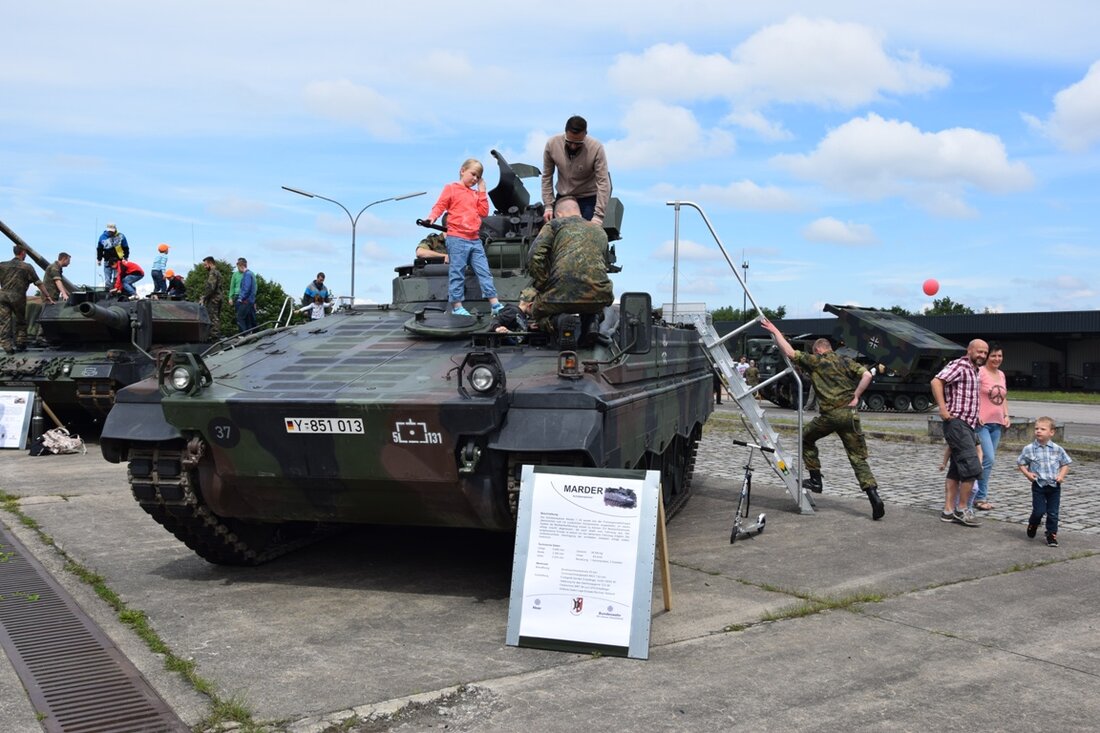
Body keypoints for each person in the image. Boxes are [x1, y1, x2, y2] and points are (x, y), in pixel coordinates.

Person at [761, 318, 884, 520]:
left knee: (806, 438)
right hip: (850, 415)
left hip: (830, 415)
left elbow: (791, 353)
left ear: (818, 350)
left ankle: (816, 479)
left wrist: (774, 330)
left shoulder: (817, 361)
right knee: (857, 458)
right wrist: (856, 396)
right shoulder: (846, 361)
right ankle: (874, 497)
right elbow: (867, 376)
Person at [526, 197, 614, 339]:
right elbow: (602, 265)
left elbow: (535, 257)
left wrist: (543, 283)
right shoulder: (600, 231)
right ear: (579, 212)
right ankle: (592, 323)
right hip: (599, 296)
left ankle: (558, 322)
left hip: (559, 296)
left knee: (536, 311)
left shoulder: (554, 225)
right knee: (596, 306)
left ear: (558, 214)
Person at [425, 158, 502, 317]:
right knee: (457, 272)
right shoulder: (451, 188)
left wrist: (482, 192)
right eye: (473, 174)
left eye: (478, 177)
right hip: (457, 238)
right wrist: (431, 218)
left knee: (484, 272)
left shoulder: (475, 194)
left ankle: (494, 303)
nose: (475, 179)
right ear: (462, 170)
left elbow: (483, 212)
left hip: (474, 239)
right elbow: (440, 205)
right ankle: (457, 305)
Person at [931, 339, 989, 527]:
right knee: (973, 469)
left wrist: (976, 415)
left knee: (956, 469)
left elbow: (967, 397)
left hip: (968, 424)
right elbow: (937, 381)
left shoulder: (975, 370)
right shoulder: (960, 365)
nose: (982, 355)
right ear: (969, 350)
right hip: (957, 424)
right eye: (979, 351)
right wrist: (942, 408)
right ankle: (961, 509)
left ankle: (948, 511)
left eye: (984, 353)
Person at [541, 115, 611, 225]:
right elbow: (547, 176)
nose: (573, 146)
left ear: (585, 135)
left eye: (578, 143)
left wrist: (598, 216)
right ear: (565, 133)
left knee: (586, 234)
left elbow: (603, 183)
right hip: (563, 197)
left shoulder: (596, 148)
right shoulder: (552, 144)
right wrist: (548, 206)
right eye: (569, 142)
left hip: (588, 198)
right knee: (556, 231)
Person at [1018, 416, 1072, 547]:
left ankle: (1051, 534)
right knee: (1039, 511)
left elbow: (1066, 464)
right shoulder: (1029, 449)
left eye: (1042, 429)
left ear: (1051, 432)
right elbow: (1021, 463)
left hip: (1054, 486)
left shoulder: (1057, 449)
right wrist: (1027, 474)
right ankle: (1033, 523)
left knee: (1053, 513)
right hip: (1039, 485)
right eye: (1036, 428)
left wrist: (1061, 476)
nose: (1038, 431)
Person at [973, 343, 1010, 511]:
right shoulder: (980, 372)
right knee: (988, 458)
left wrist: (1006, 414)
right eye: (993, 356)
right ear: (987, 357)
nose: (997, 359)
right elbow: (971, 394)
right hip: (982, 424)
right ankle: (979, 497)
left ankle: (977, 494)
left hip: (997, 424)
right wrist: (976, 413)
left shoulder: (1001, 374)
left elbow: (1003, 397)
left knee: (988, 462)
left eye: (999, 356)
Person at [0, 245, 54, 354]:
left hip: (3, 296)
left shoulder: (2, 265)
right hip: (18, 297)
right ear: (23, 253)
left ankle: (6, 345)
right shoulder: (27, 267)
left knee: (4, 322)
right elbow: (38, 283)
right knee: (21, 321)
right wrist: (48, 296)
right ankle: (20, 343)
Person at [96, 223, 129, 288]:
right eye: (109, 231)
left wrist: (125, 257)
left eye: (112, 231)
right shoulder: (102, 237)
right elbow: (99, 249)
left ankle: (116, 289)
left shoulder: (121, 236)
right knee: (107, 278)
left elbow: (126, 248)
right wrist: (99, 259)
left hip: (118, 260)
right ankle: (108, 290)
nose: (111, 232)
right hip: (107, 260)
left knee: (117, 277)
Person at [201, 256, 225, 339]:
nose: (204, 267)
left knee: (213, 316)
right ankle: (216, 333)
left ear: (210, 263)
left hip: (214, 298)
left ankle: (214, 335)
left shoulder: (213, 272)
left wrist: (204, 297)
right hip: (218, 297)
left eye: (205, 265)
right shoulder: (217, 272)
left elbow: (211, 287)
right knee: (216, 316)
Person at [236, 258, 258, 332]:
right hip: (251, 300)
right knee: (250, 319)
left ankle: (244, 335)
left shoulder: (247, 275)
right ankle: (254, 334)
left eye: (238, 267)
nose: (238, 269)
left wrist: (240, 298)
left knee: (240, 317)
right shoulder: (251, 274)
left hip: (246, 300)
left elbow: (246, 288)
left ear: (241, 266)